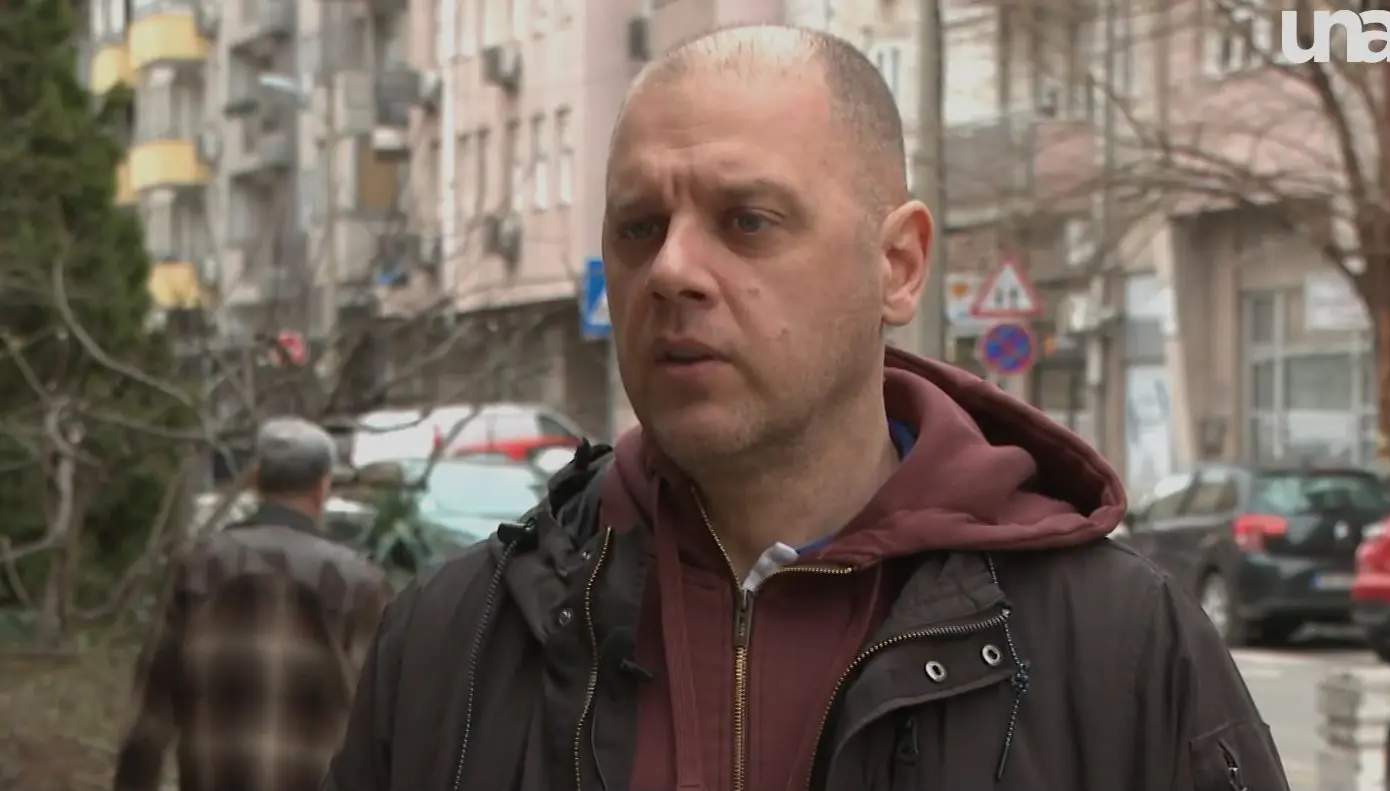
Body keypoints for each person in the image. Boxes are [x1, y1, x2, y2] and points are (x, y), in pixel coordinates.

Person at [325, 25, 1289, 791]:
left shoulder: (1120, 646)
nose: (671, 269)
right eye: (640, 226)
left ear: (897, 265)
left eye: (748, 220)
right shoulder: (458, 642)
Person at [114, 417, 391, 791]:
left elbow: (151, 713)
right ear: (322, 487)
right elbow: (385, 718)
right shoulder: (359, 583)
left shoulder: (197, 569)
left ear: (255, 480)